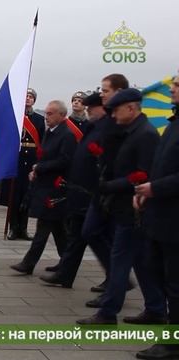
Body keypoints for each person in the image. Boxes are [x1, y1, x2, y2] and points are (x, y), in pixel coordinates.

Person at [77, 88, 166, 325]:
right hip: (122, 205)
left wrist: (108, 186)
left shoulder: (145, 135)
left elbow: (143, 175)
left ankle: (108, 313)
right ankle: (156, 308)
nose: (113, 116)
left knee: (120, 260)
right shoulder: (129, 132)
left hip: (133, 208)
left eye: (116, 110)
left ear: (131, 108)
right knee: (139, 260)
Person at [39, 93, 112, 288]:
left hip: (92, 192)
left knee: (93, 235)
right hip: (81, 191)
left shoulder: (105, 130)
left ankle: (116, 276)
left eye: (91, 108)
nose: (87, 111)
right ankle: (65, 274)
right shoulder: (93, 127)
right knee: (77, 237)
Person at [134, 75, 179, 360]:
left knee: (175, 284)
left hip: (175, 220)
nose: (172, 90)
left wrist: (155, 187)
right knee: (161, 276)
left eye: (177, 86)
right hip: (162, 216)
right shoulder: (173, 124)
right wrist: (146, 189)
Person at [10, 100, 76, 275]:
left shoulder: (66, 135)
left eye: (50, 113)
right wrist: (36, 169)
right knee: (59, 231)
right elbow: (45, 155)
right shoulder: (51, 133)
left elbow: (64, 160)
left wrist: (40, 168)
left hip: (55, 189)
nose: (47, 117)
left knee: (43, 228)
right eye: (46, 113)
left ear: (62, 115)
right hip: (44, 185)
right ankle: (66, 263)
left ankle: (28, 264)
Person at [0, 88, 44, 240]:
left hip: (31, 160)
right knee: (14, 195)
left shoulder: (39, 119)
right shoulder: (15, 117)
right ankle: (13, 227)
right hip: (15, 160)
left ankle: (23, 228)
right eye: (26, 96)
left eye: (31, 97)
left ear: (34, 100)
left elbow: (42, 142)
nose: (28, 99)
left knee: (27, 195)